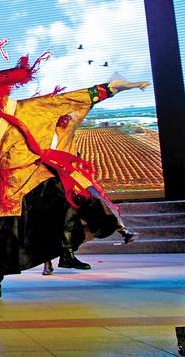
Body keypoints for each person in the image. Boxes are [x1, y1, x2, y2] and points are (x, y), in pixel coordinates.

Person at [0, 54, 150, 301]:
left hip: (37, 175)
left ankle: (69, 250)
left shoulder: (35, 107)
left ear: (6, 91)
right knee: (3, 234)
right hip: (8, 186)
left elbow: (71, 98)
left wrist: (111, 88)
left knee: (73, 198)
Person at [40, 113, 137, 276]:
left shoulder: (65, 130)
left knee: (97, 200)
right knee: (49, 221)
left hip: (72, 177)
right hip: (50, 181)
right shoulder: (42, 133)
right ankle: (49, 262)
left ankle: (123, 230)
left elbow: (71, 153)